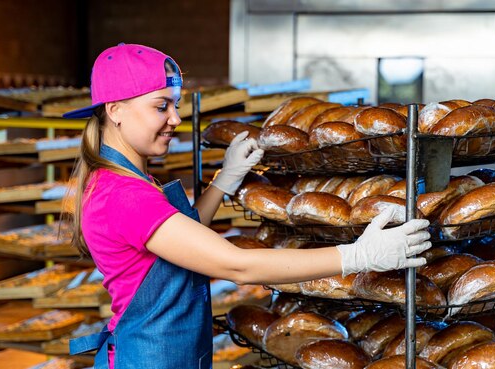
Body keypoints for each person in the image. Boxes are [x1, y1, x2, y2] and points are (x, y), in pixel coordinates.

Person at [62, 43, 431, 369]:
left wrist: (225, 179)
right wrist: (357, 256)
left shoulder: (123, 181)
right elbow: (236, 264)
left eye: (175, 105)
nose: (175, 119)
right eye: (162, 107)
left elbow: (175, 246)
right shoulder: (125, 195)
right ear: (115, 110)